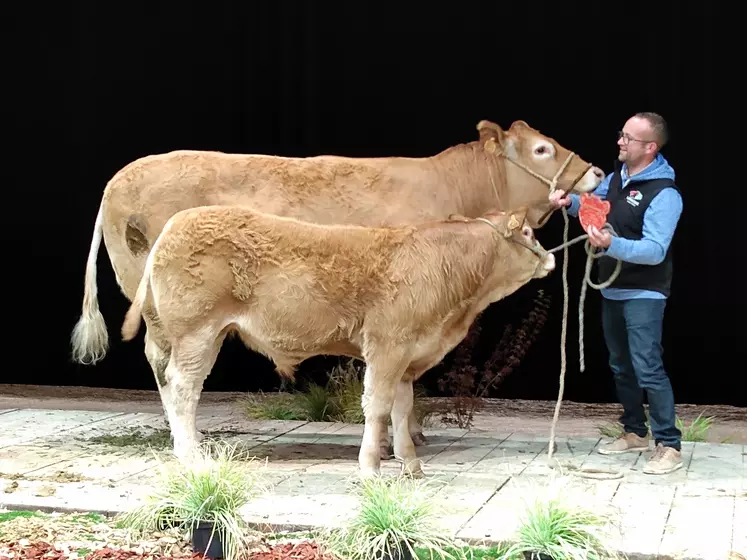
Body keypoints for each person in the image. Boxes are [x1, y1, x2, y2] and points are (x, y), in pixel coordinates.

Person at [549, 112, 684, 475]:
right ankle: (634, 432)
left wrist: (612, 244)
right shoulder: (616, 179)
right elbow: (596, 207)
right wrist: (571, 203)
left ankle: (669, 444)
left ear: (650, 147)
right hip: (613, 290)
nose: (620, 141)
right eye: (621, 135)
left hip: (645, 292)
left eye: (628, 137)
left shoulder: (665, 194)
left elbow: (655, 249)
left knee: (648, 368)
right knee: (621, 366)